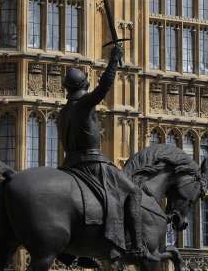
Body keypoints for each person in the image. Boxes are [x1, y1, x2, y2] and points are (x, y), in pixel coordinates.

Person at [57, 42, 147, 259]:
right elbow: (104, 87)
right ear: (84, 85)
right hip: (92, 163)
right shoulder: (83, 104)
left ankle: (81, 251)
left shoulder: (63, 112)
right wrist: (114, 60)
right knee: (133, 192)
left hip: (69, 165)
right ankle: (136, 247)